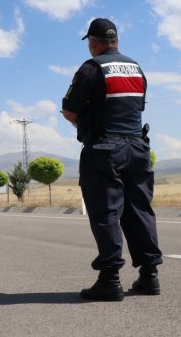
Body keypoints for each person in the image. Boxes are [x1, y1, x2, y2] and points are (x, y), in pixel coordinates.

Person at [61, 18, 162, 302]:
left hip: (105, 150)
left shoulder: (91, 68)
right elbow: (136, 107)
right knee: (139, 209)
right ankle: (149, 276)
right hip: (138, 148)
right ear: (116, 40)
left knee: (106, 212)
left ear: (93, 42)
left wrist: (89, 127)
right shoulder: (136, 68)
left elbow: (69, 110)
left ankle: (110, 279)